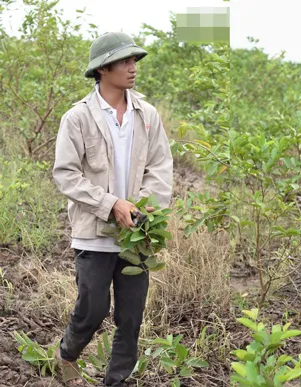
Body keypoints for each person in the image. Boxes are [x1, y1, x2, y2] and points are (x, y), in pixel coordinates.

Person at [52, 32, 173, 386]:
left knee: (131, 318)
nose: (133, 68)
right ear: (102, 69)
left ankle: (115, 381)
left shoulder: (147, 115)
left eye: (134, 60)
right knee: (92, 310)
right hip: (94, 233)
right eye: (125, 61)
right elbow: (66, 174)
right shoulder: (77, 118)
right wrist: (111, 205)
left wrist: (145, 209)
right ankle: (67, 354)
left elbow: (161, 168)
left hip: (137, 235)